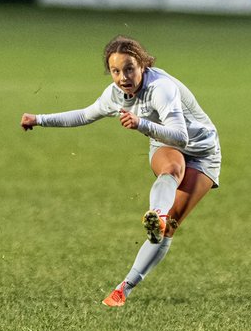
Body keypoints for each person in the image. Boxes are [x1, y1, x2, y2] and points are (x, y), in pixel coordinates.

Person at [20, 35, 221, 307]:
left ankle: (128, 281)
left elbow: (181, 138)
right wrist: (39, 119)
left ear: (142, 65)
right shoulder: (115, 94)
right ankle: (155, 219)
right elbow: (85, 115)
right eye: (115, 71)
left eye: (129, 69)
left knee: (171, 227)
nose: (123, 77)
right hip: (164, 143)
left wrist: (141, 124)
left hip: (203, 151)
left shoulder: (161, 88)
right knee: (172, 169)